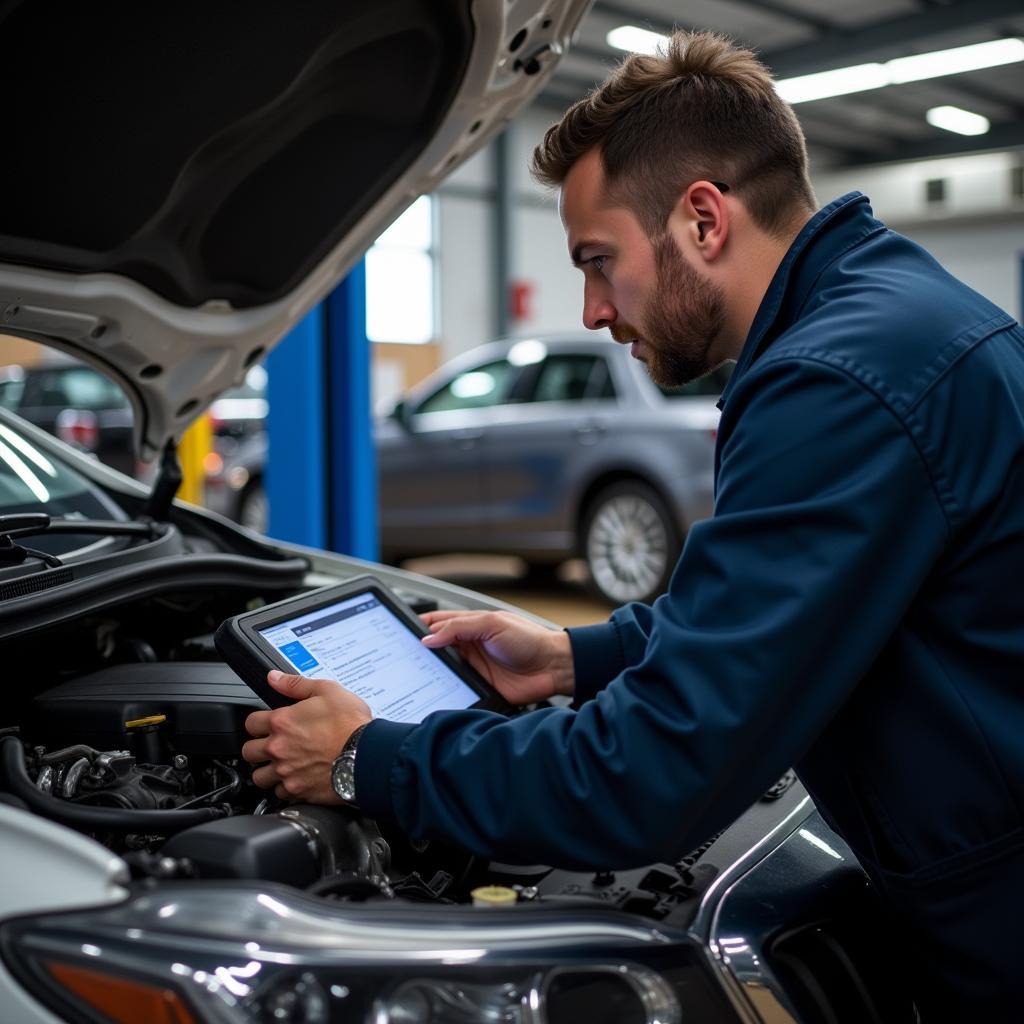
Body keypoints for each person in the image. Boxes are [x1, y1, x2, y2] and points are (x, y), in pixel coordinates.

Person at [243, 30, 1024, 1017]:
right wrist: (577, 655)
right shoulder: (886, 314)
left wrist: (371, 756)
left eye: (598, 261)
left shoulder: (835, 382)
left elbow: (657, 771)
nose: (593, 308)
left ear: (702, 218)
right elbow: (796, 605)